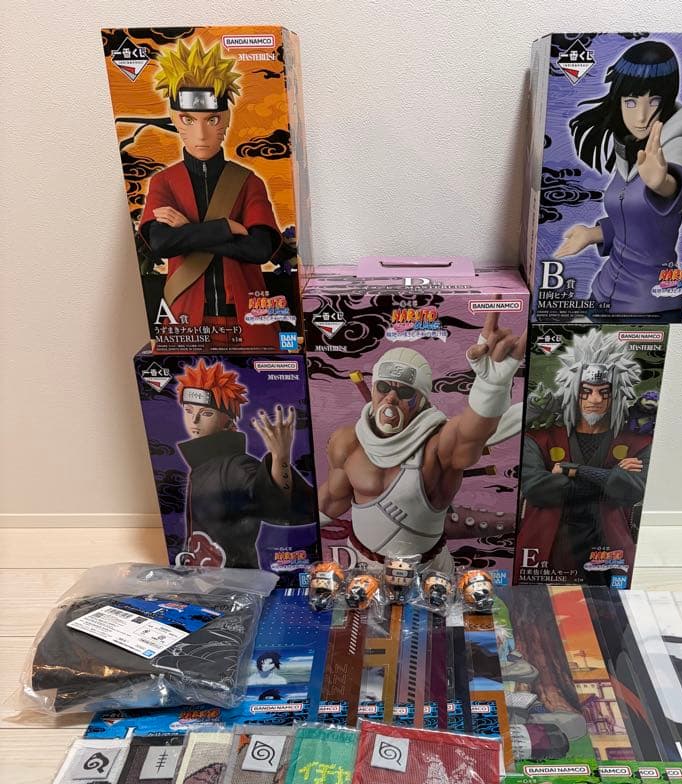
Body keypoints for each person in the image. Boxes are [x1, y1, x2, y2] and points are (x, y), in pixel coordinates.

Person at [318, 312, 525, 572]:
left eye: (404, 392)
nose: (390, 399)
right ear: (373, 389)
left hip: (428, 572)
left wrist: (490, 387)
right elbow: (331, 501)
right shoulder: (347, 442)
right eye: (384, 388)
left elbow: (470, 433)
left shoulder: (436, 446)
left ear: (423, 401)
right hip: (363, 567)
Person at [139, 38, 291, 346]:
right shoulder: (164, 182)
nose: (201, 134)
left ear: (227, 119)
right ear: (174, 119)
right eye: (188, 119)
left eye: (212, 119)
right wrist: (226, 228)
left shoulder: (248, 181)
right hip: (185, 319)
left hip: (248, 317)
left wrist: (189, 231)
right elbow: (162, 243)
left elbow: (260, 249)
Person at [556, 40, 682, 318]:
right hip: (603, 294)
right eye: (631, 102)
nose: (641, 117)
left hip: (649, 306)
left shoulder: (675, 144)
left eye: (654, 101)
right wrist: (592, 234)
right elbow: (636, 223)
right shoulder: (627, 148)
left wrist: (664, 183)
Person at [517, 329, 650, 580]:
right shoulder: (539, 437)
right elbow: (535, 489)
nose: (595, 399)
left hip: (609, 551)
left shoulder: (637, 442)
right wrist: (610, 477)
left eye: (604, 392)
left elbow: (632, 490)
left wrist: (574, 470)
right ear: (572, 391)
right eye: (586, 391)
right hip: (546, 548)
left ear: (617, 393)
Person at [174, 359, 313, 568]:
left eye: (207, 413)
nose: (194, 420)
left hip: (234, 577)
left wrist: (280, 458)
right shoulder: (201, 465)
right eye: (189, 410)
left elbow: (275, 505)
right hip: (205, 574)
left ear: (228, 420)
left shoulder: (235, 466)